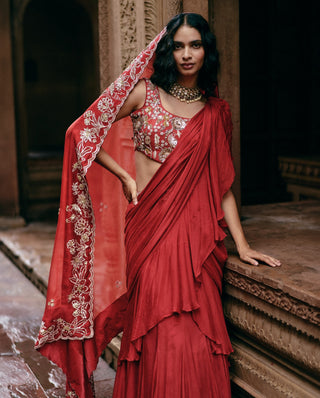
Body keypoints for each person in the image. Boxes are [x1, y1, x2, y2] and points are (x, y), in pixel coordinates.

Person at [35, 13, 281, 398]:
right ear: (168, 51)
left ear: (206, 51)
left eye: (195, 45)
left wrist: (244, 246)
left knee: (197, 337)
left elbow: (223, 188)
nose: (187, 54)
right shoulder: (143, 93)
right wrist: (125, 176)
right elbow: (82, 131)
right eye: (179, 46)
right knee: (158, 330)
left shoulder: (216, 113)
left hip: (198, 239)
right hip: (150, 230)